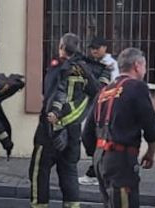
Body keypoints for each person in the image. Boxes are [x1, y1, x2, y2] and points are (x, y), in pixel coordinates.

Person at [29, 33, 102, 208]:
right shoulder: (86, 68)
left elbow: (51, 97)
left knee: (39, 171)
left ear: (61, 47)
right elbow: (94, 94)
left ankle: (40, 205)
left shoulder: (59, 67)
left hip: (51, 129)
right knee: (69, 172)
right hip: (74, 129)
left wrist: (55, 121)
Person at [87, 48, 155, 208]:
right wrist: (151, 151)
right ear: (137, 65)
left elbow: (87, 133)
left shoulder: (104, 91)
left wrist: (98, 154)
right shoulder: (136, 87)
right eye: (145, 66)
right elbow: (151, 127)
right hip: (121, 159)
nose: (145, 70)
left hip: (101, 158)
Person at [79, 38, 114, 186]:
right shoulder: (92, 63)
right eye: (92, 48)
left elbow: (101, 87)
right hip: (98, 106)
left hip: (106, 106)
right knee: (93, 139)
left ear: (105, 47)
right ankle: (97, 171)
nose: (94, 51)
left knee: (98, 140)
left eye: (97, 47)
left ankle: (96, 172)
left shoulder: (109, 64)